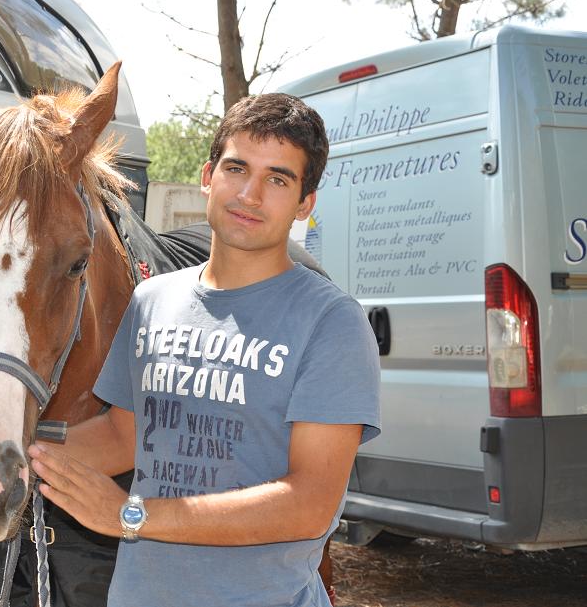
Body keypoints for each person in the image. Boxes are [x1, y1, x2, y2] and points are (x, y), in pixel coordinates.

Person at [28, 93, 381, 607]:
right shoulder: (152, 300)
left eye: (278, 179)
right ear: (207, 175)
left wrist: (128, 515)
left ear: (305, 202)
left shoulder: (331, 322)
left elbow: (309, 504)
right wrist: (17, 454)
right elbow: (123, 436)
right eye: (236, 168)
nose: (250, 194)